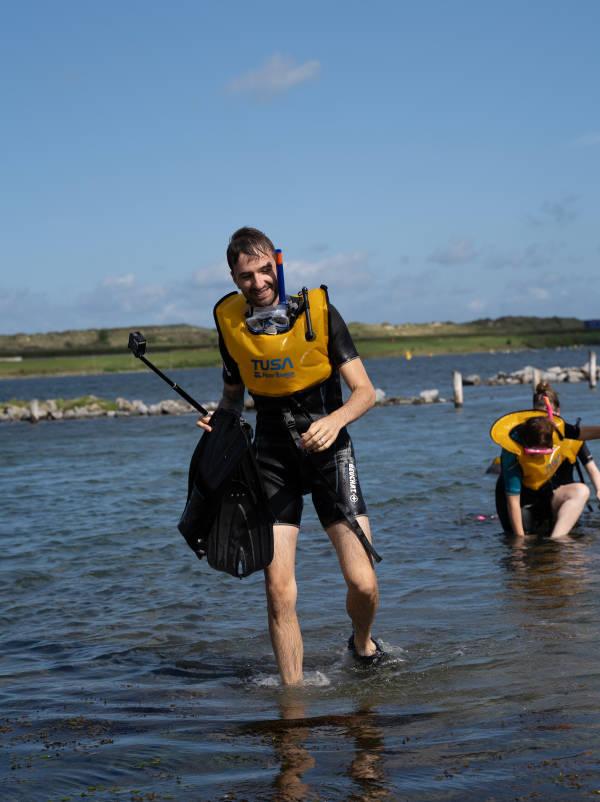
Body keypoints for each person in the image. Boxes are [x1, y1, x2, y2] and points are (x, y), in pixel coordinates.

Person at [197, 227, 382, 685]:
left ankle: (361, 644)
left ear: (277, 263)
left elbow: (365, 393)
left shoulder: (319, 313)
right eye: (246, 276)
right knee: (278, 590)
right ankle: (293, 703)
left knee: (363, 582)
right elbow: (233, 398)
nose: (258, 282)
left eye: (264, 270)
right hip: (272, 461)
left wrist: (334, 421)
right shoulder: (229, 324)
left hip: (330, 455)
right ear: (233, 277)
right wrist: (219, 418)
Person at [491, 380, 600, 540]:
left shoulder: (557, 429)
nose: (539, 457)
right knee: (519, 543)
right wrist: (519, 544)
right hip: (519, 501)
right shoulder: (512, 451)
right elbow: (512, 501)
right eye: (534, 453)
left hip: (546, 494)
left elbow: (581, 433)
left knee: (581, 490)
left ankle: (557, 541)